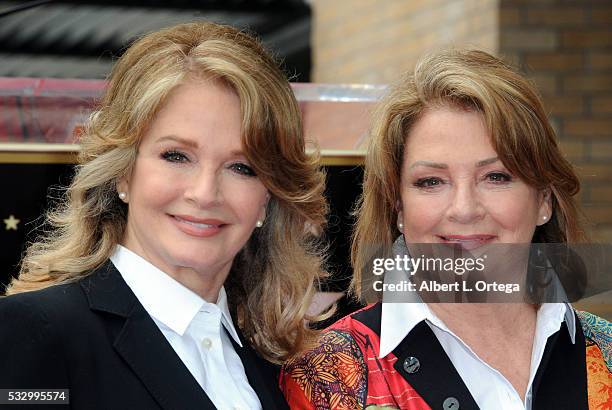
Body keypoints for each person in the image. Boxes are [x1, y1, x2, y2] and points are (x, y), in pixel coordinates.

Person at [0, 22, 329, 410]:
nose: (205, 193)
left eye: (242, 167)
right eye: (176, 156)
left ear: (267, 198)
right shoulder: (37, 332)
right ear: (123, 171)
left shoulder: (274, 363)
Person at [281, 49, 612, 409]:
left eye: (496, 177)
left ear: (544, 201)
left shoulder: (605, 355)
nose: (464, 209)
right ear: (398, 206)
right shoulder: (328, 379)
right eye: (431, 182)